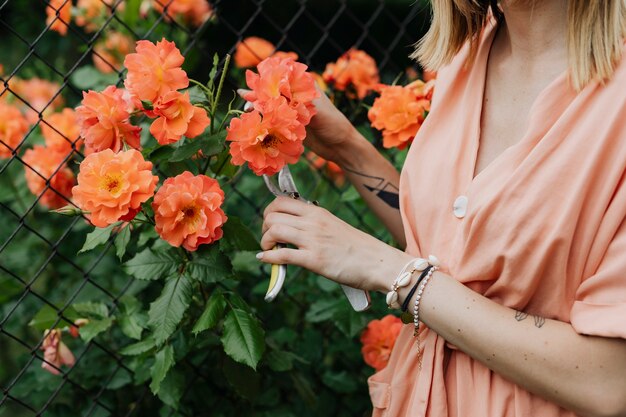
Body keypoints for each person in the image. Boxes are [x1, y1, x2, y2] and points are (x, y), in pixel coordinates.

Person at [255, 0, 626, 416]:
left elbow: (608, 378)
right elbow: (454, 254)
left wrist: (391, 271)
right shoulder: (467, 53)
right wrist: (349, 150)